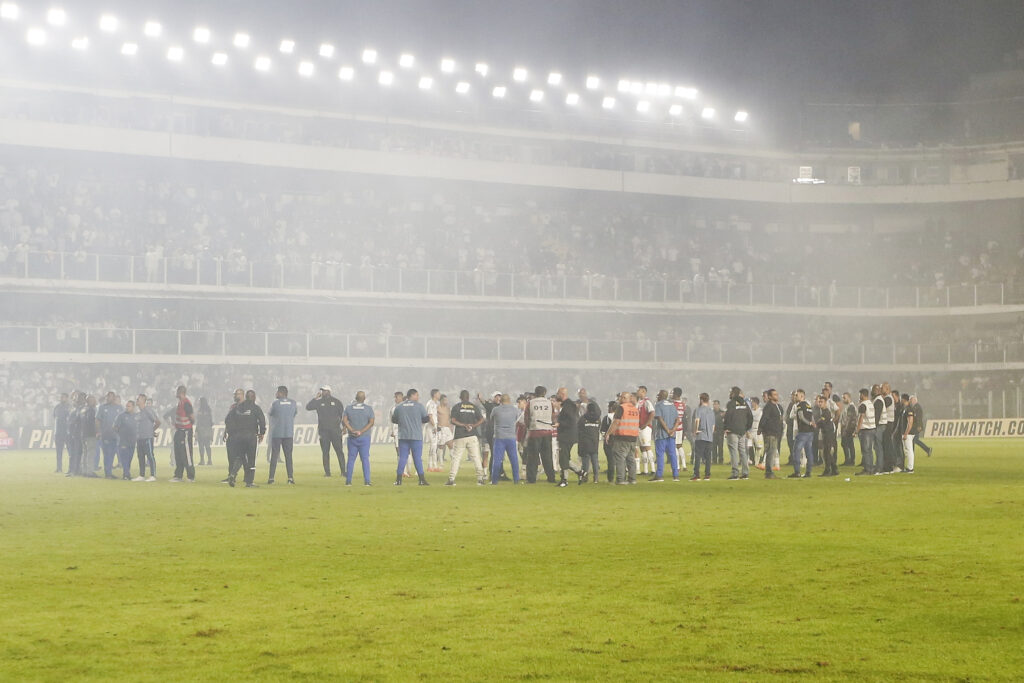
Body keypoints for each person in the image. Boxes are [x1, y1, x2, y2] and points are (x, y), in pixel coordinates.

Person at [224, 389, 266, 488]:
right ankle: (249, 482)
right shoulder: (255, 408)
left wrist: (232, 432)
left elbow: (227, 419)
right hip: (251, 437)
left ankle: (233, 474)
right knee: (252, 459)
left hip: (238, 437)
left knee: (240, 457)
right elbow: (262, 420)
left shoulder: (237, 408)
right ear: (254, 398)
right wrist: (262, 433)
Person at [391, 389, 431, 486]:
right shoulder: (419, 406)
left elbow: (394, 419)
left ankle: (398, 480)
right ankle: (422, 480)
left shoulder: (399, 406)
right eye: (417, 395)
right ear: (412, 395)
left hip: (403, 436)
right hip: (416, 436)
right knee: (417, 458)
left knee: (402, 458)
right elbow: (426, 419)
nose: (418, 397)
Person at [446, 390, 486, 486]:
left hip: (460, 435)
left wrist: (464, 425)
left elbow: (453, 420)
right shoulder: (473, 407)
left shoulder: (457, 407)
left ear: (460, 397)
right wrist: (473, 426)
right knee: (476, 457)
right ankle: (480, 479)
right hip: (472, 435)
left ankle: (451, 479)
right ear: (468, 397)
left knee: (456, 458)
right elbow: (482, 419)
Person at [307, 385, 345, 478]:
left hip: (335, 431)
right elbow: (308, 407)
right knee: (325, 452)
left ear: (329, 391)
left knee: (339, 451)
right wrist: (315, 398)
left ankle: (343, 472)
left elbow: (342, 416)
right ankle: (327, 473)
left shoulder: (337, 402)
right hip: (323, 431)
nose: (322, 392)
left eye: (324, 390)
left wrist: (344, 427)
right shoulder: (319, 402)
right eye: (322, 391)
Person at [605, 392, 639, 485]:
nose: (620, 399)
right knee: (631, 459)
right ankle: (632, 479)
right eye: (620, 398)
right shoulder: (635, 409)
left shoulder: (621, 408)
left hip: (622, 437)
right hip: (633, 437)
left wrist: (608, 433)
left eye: (622, 398)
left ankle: (620, 479)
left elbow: (616, 422)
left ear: (626, 398)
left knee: (620, 459)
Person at [524, 386, 557, 484]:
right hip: (547, 432)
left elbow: (526, 417)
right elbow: (553, 416)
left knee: (532, 457)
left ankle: (531, 479)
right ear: (545, 393)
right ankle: (551, 478)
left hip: (535, 432)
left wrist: (529, 427)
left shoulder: (531, 403)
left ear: (535, 393)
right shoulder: (549, 403)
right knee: (547, 456)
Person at [343, 390, 375, 486]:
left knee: (351, 459)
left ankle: (348, 481)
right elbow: (371, 422)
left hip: (352, 437)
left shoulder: (349, 408)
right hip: (364, 437)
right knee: (365, 459)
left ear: (356, 398)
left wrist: (352, 430)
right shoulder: (368, 409)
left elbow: (344, 420)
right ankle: (367, 481)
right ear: (364, 399)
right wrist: (361, 431)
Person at [268, 386, 298, 485]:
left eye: (277, 392)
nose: (276, 394)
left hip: (277, 433)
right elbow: (294, 413)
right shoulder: (293, 403)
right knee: (288, 456)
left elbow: (271, 413)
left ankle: (271, 478)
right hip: (288, 432)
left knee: (274, 456)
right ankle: (290, 478)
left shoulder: (275, 403)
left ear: (281, 393)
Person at [489, 394, 521, 485]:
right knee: (514, 459)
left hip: (499, 437)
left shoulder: (496, 410)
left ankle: (494, 480)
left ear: (500, 401)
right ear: (509, 400)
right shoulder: (515, 410)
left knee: (497, 460)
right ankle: (516, 480)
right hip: (511, 437)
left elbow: (491, 419)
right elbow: (517, 420)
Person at [723, 387, 752, 480]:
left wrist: (726, 427)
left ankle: (735, 473)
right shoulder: (745, 403)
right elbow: (750, 417)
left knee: (734, 452)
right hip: (742, 431)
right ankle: (745, 472)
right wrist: (746, 428)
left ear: (733, 393)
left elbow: (728, 416)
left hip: (733, 431)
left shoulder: (731, 403)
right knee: (743, 452)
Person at [651, 389, 680, 481]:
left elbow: (659, 418)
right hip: (671, 435)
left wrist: (667, 430)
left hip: (661, 434)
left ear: (660, 396)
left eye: (658, 395)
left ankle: (659, 475)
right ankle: (675, 475)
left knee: (660, 455)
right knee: (672, 455)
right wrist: (673, 430)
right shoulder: (672, 405)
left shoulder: (658, 405)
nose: (657, 396)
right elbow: (677, 420)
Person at [170, 385, 196, 483]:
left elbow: (192, 417)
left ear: (180, 392)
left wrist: (188, 427)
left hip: (185, 431)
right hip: (179, 430)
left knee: (186, 454)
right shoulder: (180, 403)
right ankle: (178, 475)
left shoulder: (186, 403)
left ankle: (191, 476)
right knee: (178, 454)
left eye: (177, 392)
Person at [757, 388, 784, 479]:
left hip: (776, 432)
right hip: (770, 432)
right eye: (774, 394)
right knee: (770, 452)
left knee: (772, 452)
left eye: (777, 394)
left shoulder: (777, 406)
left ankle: (769, 472)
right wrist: (760, 428)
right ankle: (769, 473)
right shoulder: (769, 406)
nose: (777, 396)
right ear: (769, 396)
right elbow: (764, 418)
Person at [788, 389, 815, 478]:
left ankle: (797, 472)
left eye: (797, 395)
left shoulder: (799, 405)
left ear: (802, 396)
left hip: (803, 432)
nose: (795, 397)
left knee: (796, 451)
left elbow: (801, 417)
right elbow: (812, 417)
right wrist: (812, 424)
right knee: (809, 452)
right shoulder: (809, 405)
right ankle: (808, 472)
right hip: (810, 432)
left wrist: (809, 423)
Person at [133, 394, 160, 482]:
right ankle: (142, 475)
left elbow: (158, 422)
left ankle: (153, 475)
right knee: (140, 456)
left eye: (139, 399)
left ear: (143, 400)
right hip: (139, 438)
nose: (137, 400)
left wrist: (151, 431)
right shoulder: (139, 413)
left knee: (150, 456)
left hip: (147, 437)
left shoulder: (148, 410)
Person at [220, 389, 244, 483]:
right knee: (231, 457)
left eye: (236, 394)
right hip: (232, 435)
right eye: (234, 395)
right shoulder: (233, 407)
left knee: (240, 457)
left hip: (241, 435)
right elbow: (228, 420)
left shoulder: (246, 406)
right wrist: (225, 431)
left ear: (242, 395)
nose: (234, 396)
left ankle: (246, 477)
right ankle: (231, 475)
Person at [97, 391, 121, 479]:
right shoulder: (102, 407)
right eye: (107, 396)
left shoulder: (119, 408)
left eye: (110, 396)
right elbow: (97, 420)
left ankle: (109, 472)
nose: (108, 398)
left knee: (112, 454)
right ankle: (108, 473)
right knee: (107, 454)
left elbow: (122, 421)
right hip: (106, 435)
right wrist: (98, 431)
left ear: (114, 398)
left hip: (116, 436)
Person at [691, 392, 714, 481]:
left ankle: (696, 475)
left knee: (698, 456)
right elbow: (713, 425)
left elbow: (697, 420)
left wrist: (696, 430)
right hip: (709, 436)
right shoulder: (711, 410)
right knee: (708, 456)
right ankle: (707, 475)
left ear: (701, 400)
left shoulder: (699, 409)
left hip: (701, 435)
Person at [578, 400, 602, 485]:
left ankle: (585, 477)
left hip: (585, 442)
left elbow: (579, 429)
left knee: (585, 462)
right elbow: (599, 428)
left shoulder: (583, 418)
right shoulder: (598, 419)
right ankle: (596, 478)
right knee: (595, 461)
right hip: (594, 442)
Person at [854, 388, 877, 476]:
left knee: (865, 450)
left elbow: (861, 418)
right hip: (872, 428)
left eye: (860, 394)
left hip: (866, 429)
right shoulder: (871, 403)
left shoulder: (863, 405)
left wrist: (857, 430)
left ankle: (867, 469)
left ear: (862, 395)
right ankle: (870, 468)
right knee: (869, 450)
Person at [113, 400, 137, 480]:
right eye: (126, 406)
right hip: (123, 441)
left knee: (129, 459)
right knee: (125, 459)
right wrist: (120, 434)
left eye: (129, 406)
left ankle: (126, 474)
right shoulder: (121, 416)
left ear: (133, 407)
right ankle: (126, 474)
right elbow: (115, 427)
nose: (127, 408)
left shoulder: (136, 416)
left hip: (132, 441)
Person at [816, 394, 839, 476]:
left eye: (821, 402)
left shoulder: (826, 412)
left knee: (826, 452)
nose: (820, 403)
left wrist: (816, 424)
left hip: (828, 434)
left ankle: (827, 470)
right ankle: (834, 469)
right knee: (827, 452)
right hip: (827, 434)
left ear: (826, 403)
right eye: (819, 402)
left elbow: (821, 422)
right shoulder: (824, 412)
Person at [636, 386, 655, 475]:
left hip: (645, 428)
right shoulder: (639, 402)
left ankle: (653, 469)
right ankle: (646, 470)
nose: (637, 391)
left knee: (647, 447)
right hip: (640, 427)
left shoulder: (647, 402)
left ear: (643, 391)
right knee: (642, 448)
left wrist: (646, 424)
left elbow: (652, 413)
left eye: (639, 390)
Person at [671, 388, 690, 471]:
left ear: (675, 394)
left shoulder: (673, 405)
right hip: (680, 427)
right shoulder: (683, 404)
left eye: (672, 393)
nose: (671, 394)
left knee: (674, 446)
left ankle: (677, 466)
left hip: (674, 427)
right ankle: (684, 465)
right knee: (679, 446)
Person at [872, 385, 889, 475]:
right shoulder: (879, 399)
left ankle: (879, 467)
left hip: (879, 426)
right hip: (881, 425)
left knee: (878, 447)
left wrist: (874, 426)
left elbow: (877, 416)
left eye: (873, 390)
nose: (872, 391)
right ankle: (879, 465)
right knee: (878, 447)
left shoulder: (878, 400)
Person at [900, 393, 918, 474]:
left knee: (909, 450)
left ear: (904, 399)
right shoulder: (906, 408)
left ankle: (910, 468)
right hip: (907, 433)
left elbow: (910, 422)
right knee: (907, 450)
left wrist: (906, 433)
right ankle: (909, 467)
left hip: (909, 433)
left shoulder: (909, 409)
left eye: (901, 399)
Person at [81, 395, 99, 476]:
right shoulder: (92, 410)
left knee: (85, 453)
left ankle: (84, 470)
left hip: (83, 434)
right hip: (90, 434)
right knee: (90, 453)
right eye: (93, 400)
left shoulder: (83, 409)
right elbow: (92, 423)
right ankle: (89, 471)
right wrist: (97, 432)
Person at [838, 392, 858, 466]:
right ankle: (850, 460)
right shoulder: (848, 406)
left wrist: (846, 430)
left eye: (844, 398)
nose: (843, 399)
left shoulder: (851, 407)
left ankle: (849, 461)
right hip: (848, 428)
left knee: (846, 444)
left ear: (849, 397)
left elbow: (850, 420)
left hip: (848, 429)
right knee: (849, 444)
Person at [599, 400, 616, 483]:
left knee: (611, 460)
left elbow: (602, 430)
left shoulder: (606, 418)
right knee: (621, 460)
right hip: (619, 440)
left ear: (610, 407)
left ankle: (610, 478)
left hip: (609, 440)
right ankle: (622, 477)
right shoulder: (620, 417)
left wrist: (605, 436)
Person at [424, 389, 441, 472]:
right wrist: (434, 426)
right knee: (433, 445)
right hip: (431, 426)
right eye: (438, 393)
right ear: (434, 394)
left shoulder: (435, 403)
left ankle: (432, 466)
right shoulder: (430, 403)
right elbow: (430, 416)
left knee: (434, 446)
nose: (440, 395)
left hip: (434, 425)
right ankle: (432, 466)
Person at [53, 393, 70, 473]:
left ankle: (72, 468)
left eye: (63, 397)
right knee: (58, 452)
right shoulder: (56, 407)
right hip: (58, 433)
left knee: (71, 452)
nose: (61, 398)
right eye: (60, 397)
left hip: (67, 433)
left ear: (67, 398)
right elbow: (54, 417)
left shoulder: (70, 407)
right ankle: (59, 468)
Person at [195, 397, 214, 466]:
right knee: (207, 445)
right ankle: (209, 460)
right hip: (207, 429)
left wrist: (196, 430)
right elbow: (211, 421)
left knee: (201, 446)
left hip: (201, 430)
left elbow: (198, 421)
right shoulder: (208, 410)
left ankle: (202, 460)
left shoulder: (199, 411)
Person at [747, 396, 763, 467]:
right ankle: (750, 460)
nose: (751, 403)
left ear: (756, 403)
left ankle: (757, 462)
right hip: (750, 431)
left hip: (758, 432)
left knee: (758, 447)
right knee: (748, 446)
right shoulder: (750, 411)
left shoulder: (760, 411)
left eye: (752, 402)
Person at [712, 399, 726, 465]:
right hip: (713, 432)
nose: (715, 406)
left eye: (716, 404)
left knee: (720, 447)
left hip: (720, 432)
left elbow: (725, 422)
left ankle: (721, 460)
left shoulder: (723, 413)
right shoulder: (711, 412)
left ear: (719, 405)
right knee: (713, 447)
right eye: (714, 404)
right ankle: (714, 460)